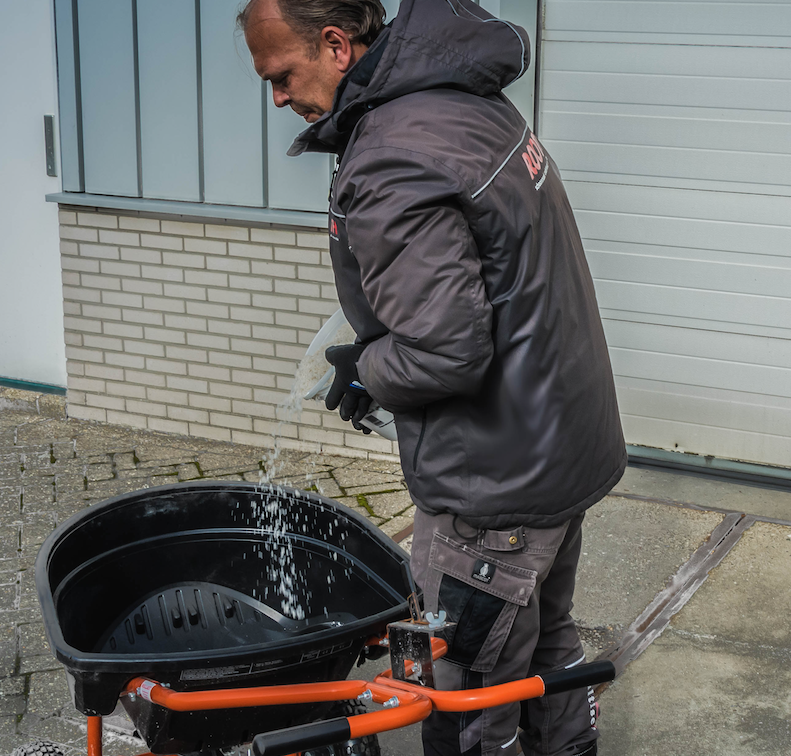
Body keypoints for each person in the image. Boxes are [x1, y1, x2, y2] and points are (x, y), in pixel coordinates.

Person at [240, 1, 627, 755]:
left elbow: (445, 352)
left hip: (493, 489)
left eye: (281, 75)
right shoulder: (462, 103)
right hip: (558, 446)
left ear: (335, 45)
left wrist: (368, 368)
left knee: (466, 694)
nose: (278, 97)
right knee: (545, 644)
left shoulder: (391, 155)